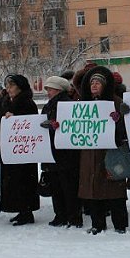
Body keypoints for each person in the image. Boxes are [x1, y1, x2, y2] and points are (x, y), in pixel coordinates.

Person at [78, 66, 129, 235]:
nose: (94, 85)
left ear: (105, 85)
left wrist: (119, 121)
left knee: (115, 189)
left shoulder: (116, 102)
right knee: (93, 190)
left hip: (111, 153)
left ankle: (120, 224)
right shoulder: (82, 105)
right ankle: (97, 224)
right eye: (92, 82)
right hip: (90, 154)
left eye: (98, 82)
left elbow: (126, 130)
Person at [40, 76, 82, 228]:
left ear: (58, 90)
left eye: (50, 89)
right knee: (56, 187)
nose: (48, 92)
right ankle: (61, 215)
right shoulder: (48, 106)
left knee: (68, 187)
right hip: (53, 152)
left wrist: (58, 126)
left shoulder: (68, 105)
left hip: (66, 154)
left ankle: (73, 217)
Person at [0, 75, 40, 226]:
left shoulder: (27, 103)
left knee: (24, 181)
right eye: (7, 86)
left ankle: (26, 212)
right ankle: (19, 209)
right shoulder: (7, 101)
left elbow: (31, 124)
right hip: (12, 150)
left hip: (25, 152)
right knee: (13, 182)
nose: (8, 89)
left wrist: (16, 117)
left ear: (20, 87)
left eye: (11, 86)